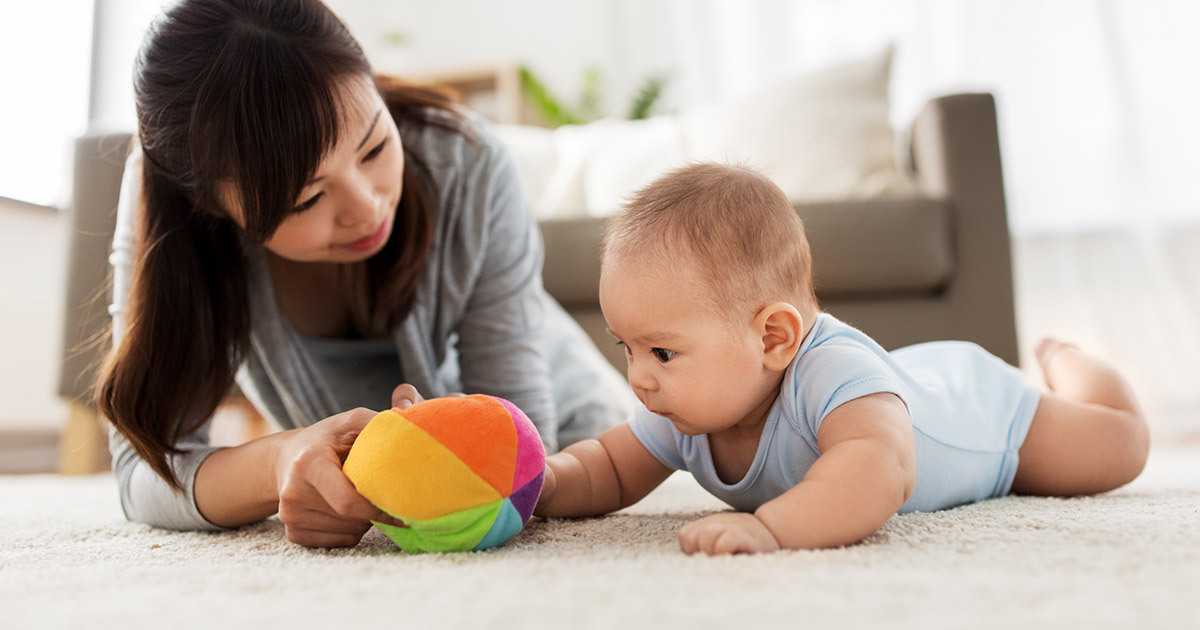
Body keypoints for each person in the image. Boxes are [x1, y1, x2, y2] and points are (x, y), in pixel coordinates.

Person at [96, 0, 632, 548]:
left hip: (582, 439)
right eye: (307, 199)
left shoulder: (469, 162)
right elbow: (143, 472)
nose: (367, 207)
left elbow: (517, 456)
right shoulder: (169, 208)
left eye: (374, 147)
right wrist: (279, 461)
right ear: (209, 205)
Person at [533, 163, 1150, 555]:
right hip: (913, 376)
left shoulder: (832, 373)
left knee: (1119, 447)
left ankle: (1067, 358)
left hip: (986, 414)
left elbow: (879, 469)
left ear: (773, 339)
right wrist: (543, 483)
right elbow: (607, 468)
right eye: (628, 348)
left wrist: (773, 529)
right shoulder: (682, 408)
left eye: (663, 352)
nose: (639, 377)